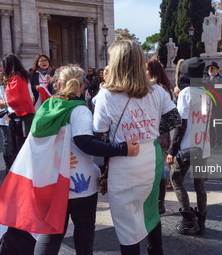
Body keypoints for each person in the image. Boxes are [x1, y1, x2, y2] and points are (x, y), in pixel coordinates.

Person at [0, 65, 139, 255]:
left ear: (58, 85)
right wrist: (122, 149)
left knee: (51, 233)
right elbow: (84, 142)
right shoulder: (79, 111)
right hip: (80, 184)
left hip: (51, 183)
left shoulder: (46, 107)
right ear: (81, 88)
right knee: (84, 231)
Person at [93, 40, 181, 255]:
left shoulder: (106, 95)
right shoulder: (157, 91)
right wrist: (149, 130)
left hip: (124, 162)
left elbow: (100, 138)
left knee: (126, 222)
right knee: (150, 211)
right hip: (150, 158)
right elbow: (174, 119)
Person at [167, 57, 210, 236]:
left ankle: (188, 220)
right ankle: (201, 219)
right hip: (203, 146)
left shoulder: (186, 94)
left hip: (187, 146)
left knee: (176, 180)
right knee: (200, 185)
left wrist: (172, 151)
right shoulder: (206, 93)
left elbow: (180, 125)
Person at [146, 59, 174, 215]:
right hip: (160, 131)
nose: (144, 72)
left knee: (159, 167)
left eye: (146, 69)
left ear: (153, 71)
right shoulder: (163, 88)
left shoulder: (159, 89)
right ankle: (159, 202)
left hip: (159, 131)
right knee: (159, 166)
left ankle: (159, 203)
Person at [0, 54, 35, 160]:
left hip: (23, 116)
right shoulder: (15, 78)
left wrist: (5, 104)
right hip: (16, 116)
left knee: (22, 146)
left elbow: (19, 98)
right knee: (16, 147)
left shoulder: (19, 78)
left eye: (3, 65)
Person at [205, 61, 222, 150]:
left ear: (217, 69)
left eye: (212, 68)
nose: (210, 70)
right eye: (209, 68)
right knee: (210, 125)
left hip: (217, 106)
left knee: (217, 125)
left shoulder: (219, 78)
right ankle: (212, 142)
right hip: (209, 105)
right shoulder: (208, 78)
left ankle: (218, 143)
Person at [0, 71, 13, 174]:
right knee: (7, 141)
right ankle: (8, 166)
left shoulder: (9, 84)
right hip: (3, 117)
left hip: (13, 115)